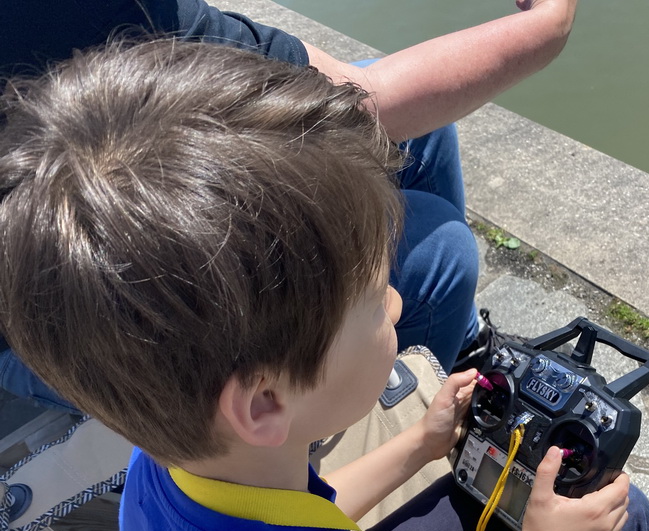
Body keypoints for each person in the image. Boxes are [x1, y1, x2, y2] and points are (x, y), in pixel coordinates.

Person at [0, 40, 649, 531]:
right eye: (376, 302)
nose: (399, 307)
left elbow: (295, 521)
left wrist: (418, 445)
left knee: (493, 503)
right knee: (622, 518)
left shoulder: (163, 472)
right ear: (265, 404)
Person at [0, 0, 579, 406]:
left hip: (69, 214)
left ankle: (454, 342)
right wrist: (548, 28)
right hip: (53, 321)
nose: (389, 302)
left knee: (419, 133)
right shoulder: (80, 10)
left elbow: (348, 96)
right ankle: (399, 399)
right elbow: (359, 109)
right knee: (437, 257)